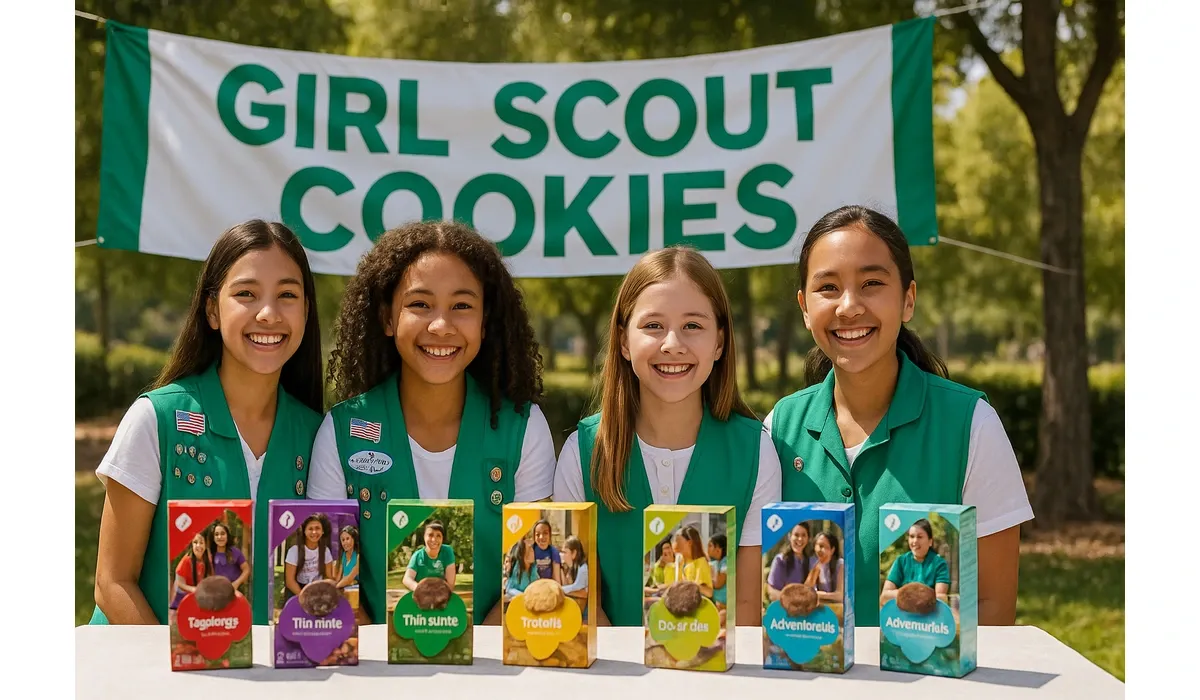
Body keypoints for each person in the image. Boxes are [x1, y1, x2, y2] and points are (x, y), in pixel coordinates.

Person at [765, 205, 1034, 626]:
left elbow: (994, 608)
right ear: (804, 307)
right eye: (828, 288)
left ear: (908, 299)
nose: (849, 307)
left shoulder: (972, 424)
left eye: (872, 283)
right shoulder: (779, 427)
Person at [307, 221, 556, 626]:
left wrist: (475, 671)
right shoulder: (341, 430)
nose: (441, 325)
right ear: (388, 318)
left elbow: (531, 575)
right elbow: (332, 581)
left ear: (485, 321)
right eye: (420, 304)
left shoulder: (524, 427)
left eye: (462, 306)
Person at [91, 220, 324, 625]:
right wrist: (171, 681)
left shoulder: (321, 435)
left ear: (306, 310)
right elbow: (113, 584)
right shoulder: (156, 419)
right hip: (146, 677)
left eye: (287, 294)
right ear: (213, 309)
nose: (268, 313)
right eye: (246, 294)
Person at [553, 245, 781, 626]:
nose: (672, 343)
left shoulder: (756, 451)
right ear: (624, 341)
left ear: (720, 342)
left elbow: (746, 610)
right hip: (611, 680)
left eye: (693, 325)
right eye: (653, 326)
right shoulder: (583, 452)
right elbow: (579, 599)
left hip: (719, 678)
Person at [881, 519, 950, 603]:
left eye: (920, 537)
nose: (915, 541)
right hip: (902, 613)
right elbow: (885, 596)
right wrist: (911, 594)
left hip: (929, 614)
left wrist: (909, 595)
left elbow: (940, 598)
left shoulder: (939, 564)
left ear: (930, 541)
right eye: (912, 536)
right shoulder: (901, 561)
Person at [285, 515, 335, 596]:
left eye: (317, 528)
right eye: (310, 529)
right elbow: (290, 582)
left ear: (322, 531)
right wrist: (304, 597)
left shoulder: (326, 551)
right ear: (304, 531)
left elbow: (328, 576)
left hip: (319, 590)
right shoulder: (294, 551)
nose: (314, 532)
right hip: (299, 590)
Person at [169, 532, 213, 624]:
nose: (198, 545)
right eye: (195, 542)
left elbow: (210, 579)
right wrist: (194, 589)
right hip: (180, 598)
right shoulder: (186, 560)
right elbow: (180, 584)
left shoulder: (207, 560)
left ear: (205, 545)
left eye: (201, 543)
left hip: (196, 597)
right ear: (191, 544)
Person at [765, 523, 814, 602]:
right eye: (796, 535)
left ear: (808, 538)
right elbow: (772, 592)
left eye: (804, 535)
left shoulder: (811, 562)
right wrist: (792, 602)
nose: (800, 539)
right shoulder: (780, 560)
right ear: (790, 536)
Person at [403, 521, 457, 590]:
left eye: (438, 536)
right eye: (430, 535)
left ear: (442, 538)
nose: (434, 539)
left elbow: (450, 584)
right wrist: (420, 589)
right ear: (424, 537)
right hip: (421, 595)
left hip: (441, 595)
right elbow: (407, 579)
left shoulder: (447, 551)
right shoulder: (418, 555)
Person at [207, 522, 249, 594]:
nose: (220, 537)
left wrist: (237, 583)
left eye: (222, 533)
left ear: (227, 535)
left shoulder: (235, 552)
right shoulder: (210, 554)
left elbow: (246, 569)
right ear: (213, 538)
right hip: (216, 593)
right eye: (216, 534)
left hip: (234, 591)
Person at [807, 530, 844, 603]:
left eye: (822, 546)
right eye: (816, 545)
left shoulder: (840, 564)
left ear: (832, 550)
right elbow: (806, 591)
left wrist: (820, 595)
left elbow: (840, 596)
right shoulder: (814, 565)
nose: (818, 550)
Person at [560, 535, 590, 616]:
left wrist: (560, 589)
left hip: (586, 612)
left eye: (565, 552)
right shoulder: (572, 567)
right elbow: (568, 585)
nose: (562, 555)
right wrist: (561, 569)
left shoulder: (583, 568)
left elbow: (577, 587)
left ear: (574, 553)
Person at [707, 534, 728, 609]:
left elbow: (718, 584)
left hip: (724, 606)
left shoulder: (726, 562)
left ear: (718, 549)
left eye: (710, 546)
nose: (707, 549)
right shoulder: (718, 562)